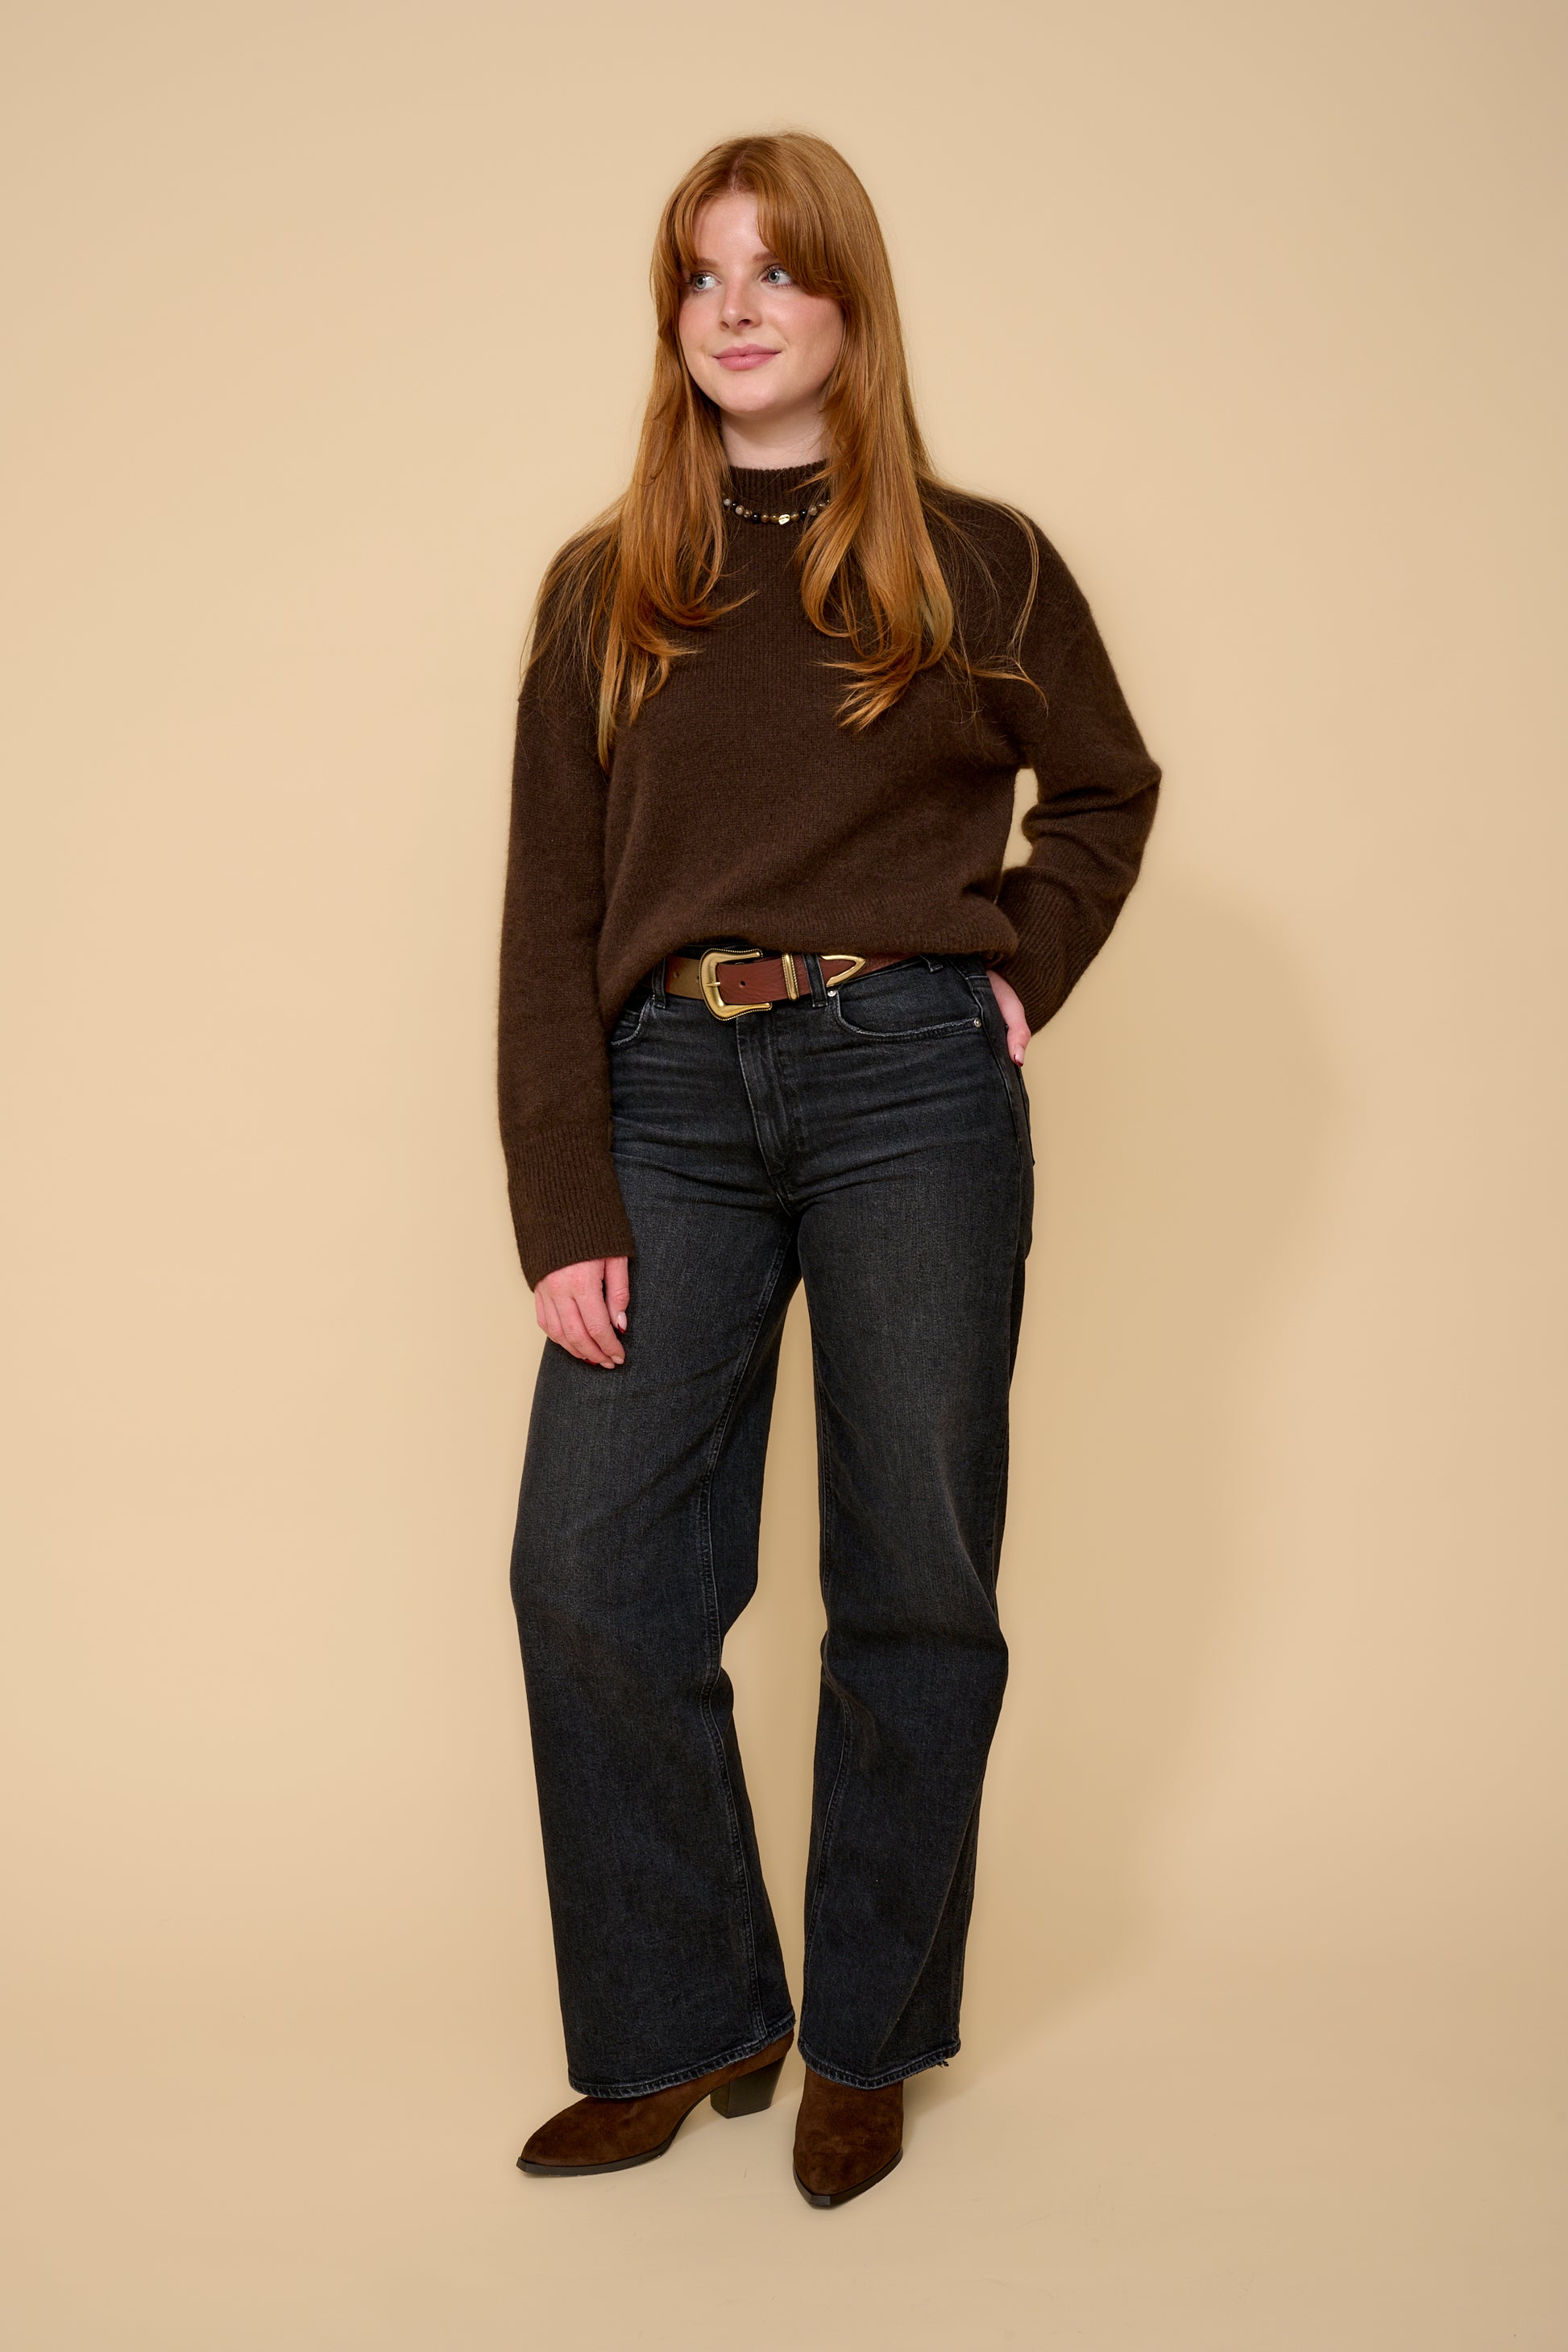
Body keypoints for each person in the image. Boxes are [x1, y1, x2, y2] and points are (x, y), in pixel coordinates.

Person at [496, 130, 1161, 2207]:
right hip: (670, 1100)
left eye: (779, 275)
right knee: (591, 1570)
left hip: (909, 1088)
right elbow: (545, 913)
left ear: (854, 313)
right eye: (702, 280)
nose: (738, 311)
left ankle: (869, 2033)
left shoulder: (981, 561)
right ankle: (695, 2020)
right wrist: (563, 1197)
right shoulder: (608, 587)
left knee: (912, 1573)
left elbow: (1108, 793)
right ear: (671, 319)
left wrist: (1015, 975)